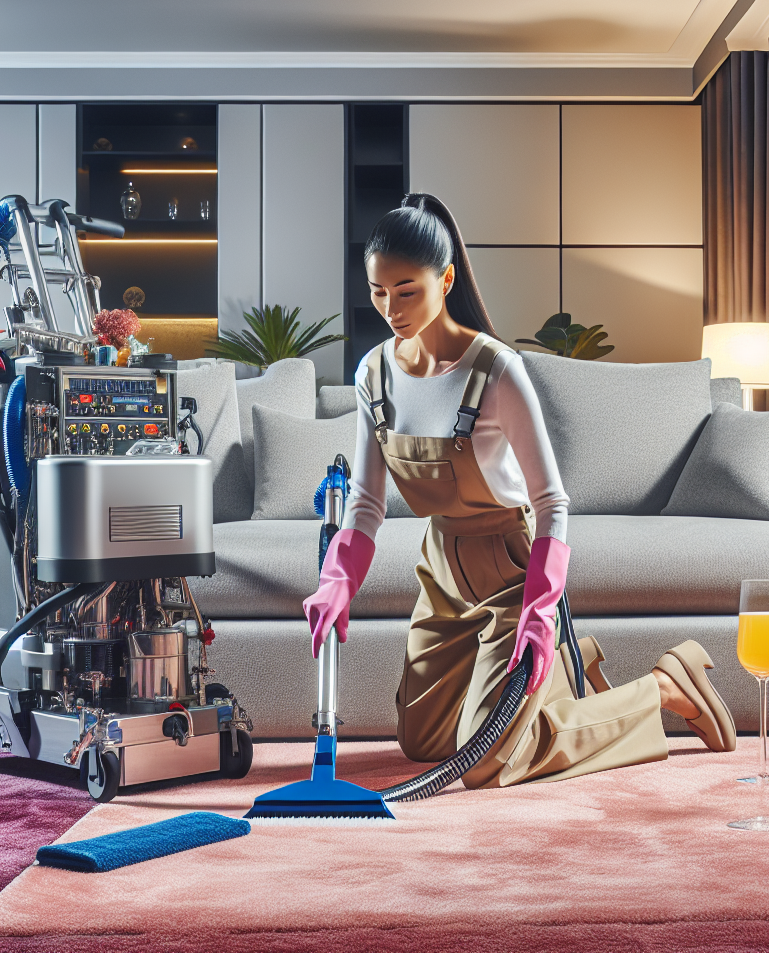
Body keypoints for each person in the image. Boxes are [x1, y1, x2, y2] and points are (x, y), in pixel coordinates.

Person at [302, 193, 736, 789]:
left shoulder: (496, 370)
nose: (390, 307)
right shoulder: (373, 373)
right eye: (378, 291)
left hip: (510, 572)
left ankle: (662, 686)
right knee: (422, 740)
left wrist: (537, 609)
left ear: (446, 278)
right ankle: (567, 667)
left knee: (482, 760)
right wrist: (337, 582)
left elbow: (553, 502)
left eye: (407, 290)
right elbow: (367, 502)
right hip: (440, 572)